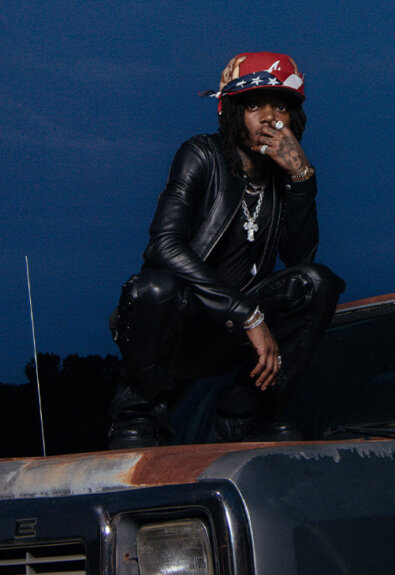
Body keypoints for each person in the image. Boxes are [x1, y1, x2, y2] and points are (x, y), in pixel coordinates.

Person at [108, 52, 344, 449]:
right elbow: (163, 245)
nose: (269, 117)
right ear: (230, 111)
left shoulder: (283, 175)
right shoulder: (200, 154)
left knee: (317, 283)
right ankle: (137, 416)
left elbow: (300, 261)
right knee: (152, 287)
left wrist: (302, 179)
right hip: (185, 321)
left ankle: (244, 416)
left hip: (237, 337)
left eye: (281, 106)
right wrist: (246, 314)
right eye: (253, 105)